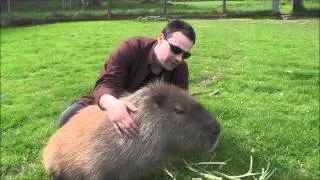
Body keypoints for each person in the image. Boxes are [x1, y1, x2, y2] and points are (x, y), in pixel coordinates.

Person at [59, 19, 196, 138]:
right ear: (160, 38)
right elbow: (107, 82)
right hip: (114, 102)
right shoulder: (130, 48)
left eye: (185, 55)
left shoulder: (181, 68)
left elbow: (181, 104)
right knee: (68, 117)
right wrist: (112, 105)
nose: (179, 58)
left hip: (151, 118)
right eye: (176, 50)